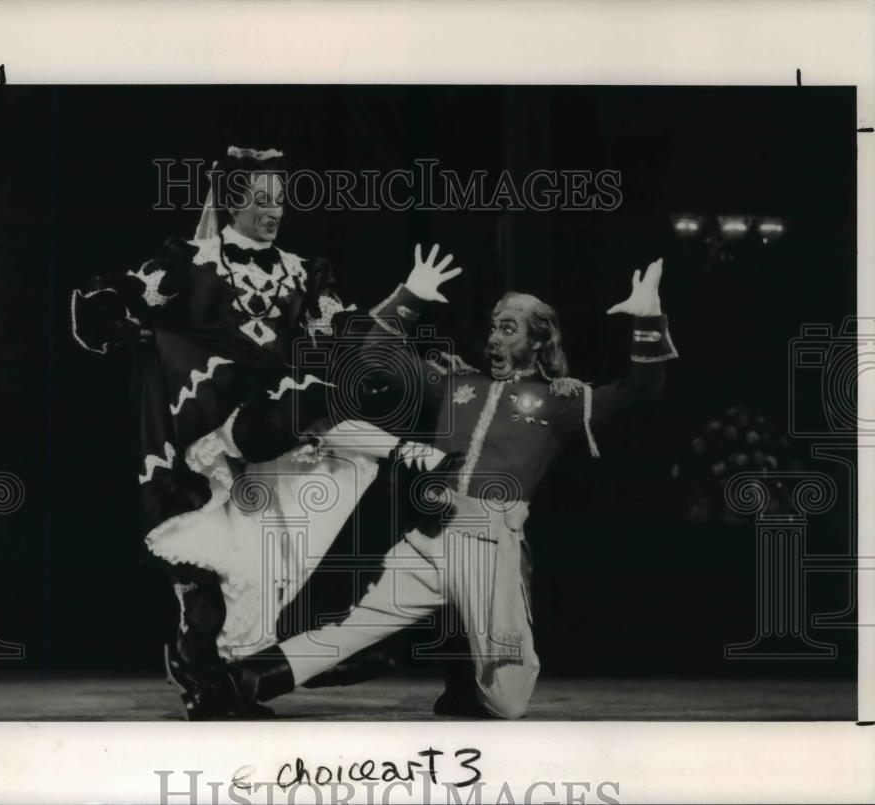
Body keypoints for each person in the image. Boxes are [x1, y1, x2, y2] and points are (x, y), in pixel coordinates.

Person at [183, 247, 679, 719]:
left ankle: (465, 671)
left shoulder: (559, 401)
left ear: (537, 339)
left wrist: (648, 317)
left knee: (508, 703)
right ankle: (225, 687)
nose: (494, 339)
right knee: (350, 631)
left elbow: (641, 391)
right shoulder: (456, 384)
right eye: (492, 326)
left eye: (509, 328)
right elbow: (375, 354)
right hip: (428, 542)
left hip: (489, 552)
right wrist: (411, 295)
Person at [70, 147, 461, 718]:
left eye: (279, 198)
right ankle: (208, 673)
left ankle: (225, 677)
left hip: (277, 424)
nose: (272, 209)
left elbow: (343, 332)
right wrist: (114, 315)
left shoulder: (302, 271)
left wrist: (407, 300)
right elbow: (127, 292)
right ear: (231, 200)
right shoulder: (192, 260)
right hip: (214, 422)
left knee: (255, 563)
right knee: (218, 561)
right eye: (259, 198)